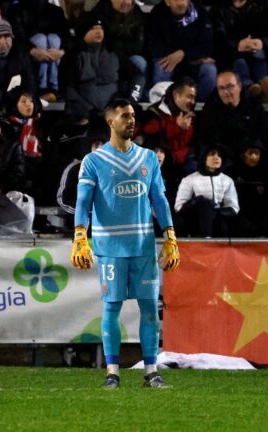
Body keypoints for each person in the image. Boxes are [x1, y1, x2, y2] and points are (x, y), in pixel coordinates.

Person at [71, 98, 180, 389]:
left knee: (149, 309)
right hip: (110, 248)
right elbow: (83, 202)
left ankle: (152, 372)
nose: (131, 120)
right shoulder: (93, 161)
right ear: (110, 122)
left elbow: (159, 199)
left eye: (133, 115)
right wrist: (80, 236)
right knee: (112, 309)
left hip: (143, 246)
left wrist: (170, 235)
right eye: (124, 116)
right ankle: (112, 373)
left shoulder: (147, 158)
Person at [146, 0, 217, 102]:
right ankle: (164, 108)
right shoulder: (157, 13)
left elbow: (207, 46)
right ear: (167, 2)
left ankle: (205, 108)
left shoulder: (200, 13)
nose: (180, 3)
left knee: (210, 70)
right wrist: (176, 56)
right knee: (161, 68)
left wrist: (184, 54)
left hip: (193, 60)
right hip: (169, 59)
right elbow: (154, 46)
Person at [199, 70, 268, 168]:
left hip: (252, 154)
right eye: (221, 88)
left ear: (240, 86)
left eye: (230, 86)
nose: (225, 92)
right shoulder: (210, 109)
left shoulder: (253, 105)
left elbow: (265, 133)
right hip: (225, 158)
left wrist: (255, 149)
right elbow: (209, 140)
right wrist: (239, 153)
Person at [174, 147, 240, 237]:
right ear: (204, 158)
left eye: (219, 156)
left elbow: (234, 207)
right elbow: (178, 207)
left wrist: (216, 212)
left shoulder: (227, 180)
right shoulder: (189, 179)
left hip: (218, 220)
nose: (216, 157)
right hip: (195, 220)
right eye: (212, 154)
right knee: (205, 203)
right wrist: (197, 201)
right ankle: (206, 239)